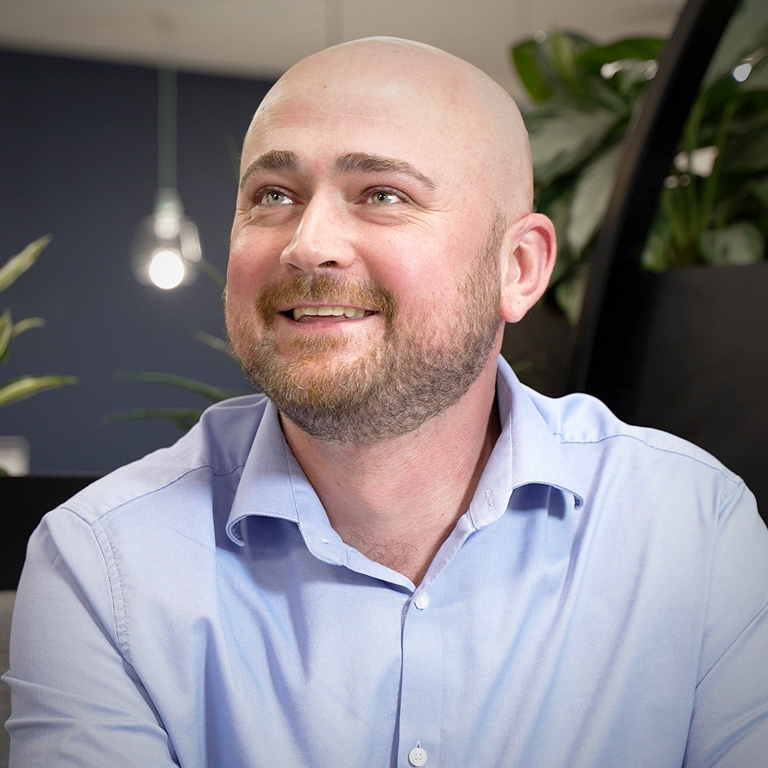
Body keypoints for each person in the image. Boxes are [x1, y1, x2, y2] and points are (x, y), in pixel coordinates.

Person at [4, 37, 768, 768]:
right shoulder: (102, 564)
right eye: (273, 194)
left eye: (382, 194)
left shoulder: (690, 527)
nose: (307, 244)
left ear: (520, 269)